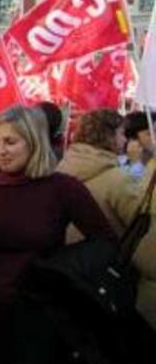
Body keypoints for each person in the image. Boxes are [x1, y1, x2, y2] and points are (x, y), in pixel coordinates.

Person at [0, 105, 115, 363]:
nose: (1, 150)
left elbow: (104, 241)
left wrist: (61, 269)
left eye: (10, 142)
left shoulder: (63, 188)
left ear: (34, 142)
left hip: (48, 312)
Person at [58, 109, 156, 330]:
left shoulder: (62, 167)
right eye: (121, 133)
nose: (125, 140)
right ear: (108, 135)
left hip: (73, 272)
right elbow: (144, 232)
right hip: (109, 278)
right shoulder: (118, 180)